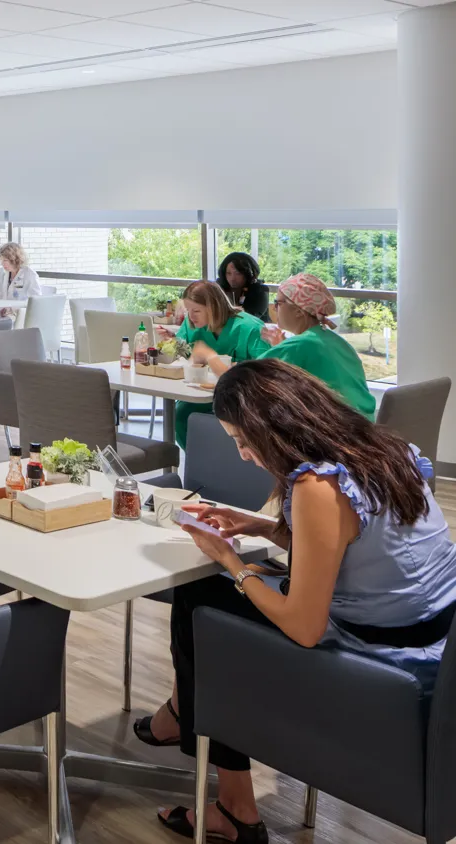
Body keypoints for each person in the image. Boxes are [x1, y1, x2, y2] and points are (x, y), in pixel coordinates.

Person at [135, 358, 456, 844]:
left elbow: (305, 628)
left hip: (381, 656)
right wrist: (259, 526)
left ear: (275, 428)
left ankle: (235, 807)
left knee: (203, 605)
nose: (243, 455)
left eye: (243, 441)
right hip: (433, 635)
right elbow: (360, 546)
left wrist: (230, 559)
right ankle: (182, 712)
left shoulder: (315, 485)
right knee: (218, 596)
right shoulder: (385, 448)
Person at [164, 280, 271, 448]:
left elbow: (266, 370)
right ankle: (198, 463)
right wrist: (171, 343)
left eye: (197, 310)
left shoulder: (250, 327)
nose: (191, 316)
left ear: (214, 307)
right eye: (188, 310)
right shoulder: (192, 325)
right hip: (201, 393)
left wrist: (213, 358)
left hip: (241, 398)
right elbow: (186, 353)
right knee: (180, 415)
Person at [259, 273, 376, 421]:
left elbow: (246, 380)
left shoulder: (299, 345)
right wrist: (282, 346)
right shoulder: (337, 342)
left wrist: (218, 357)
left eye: (278, 303)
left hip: (335, 433)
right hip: (363, 429)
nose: (274, 309)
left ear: (299, 311)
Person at [0, 242, 38, 320]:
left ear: (15, 259)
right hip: (2, 312)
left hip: (19, 315)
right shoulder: (2, 272)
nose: (2, 264)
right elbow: (0, 295)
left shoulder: (29, 274)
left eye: (5, 260)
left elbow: (35, 301)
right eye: (1, 260)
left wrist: (12, 308)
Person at [216, 251, 269, 321]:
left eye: (237, 273)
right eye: (228, 273)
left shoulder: (260, 290)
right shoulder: (219, 287)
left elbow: (250, 318)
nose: (232, 278)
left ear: (248, 274)